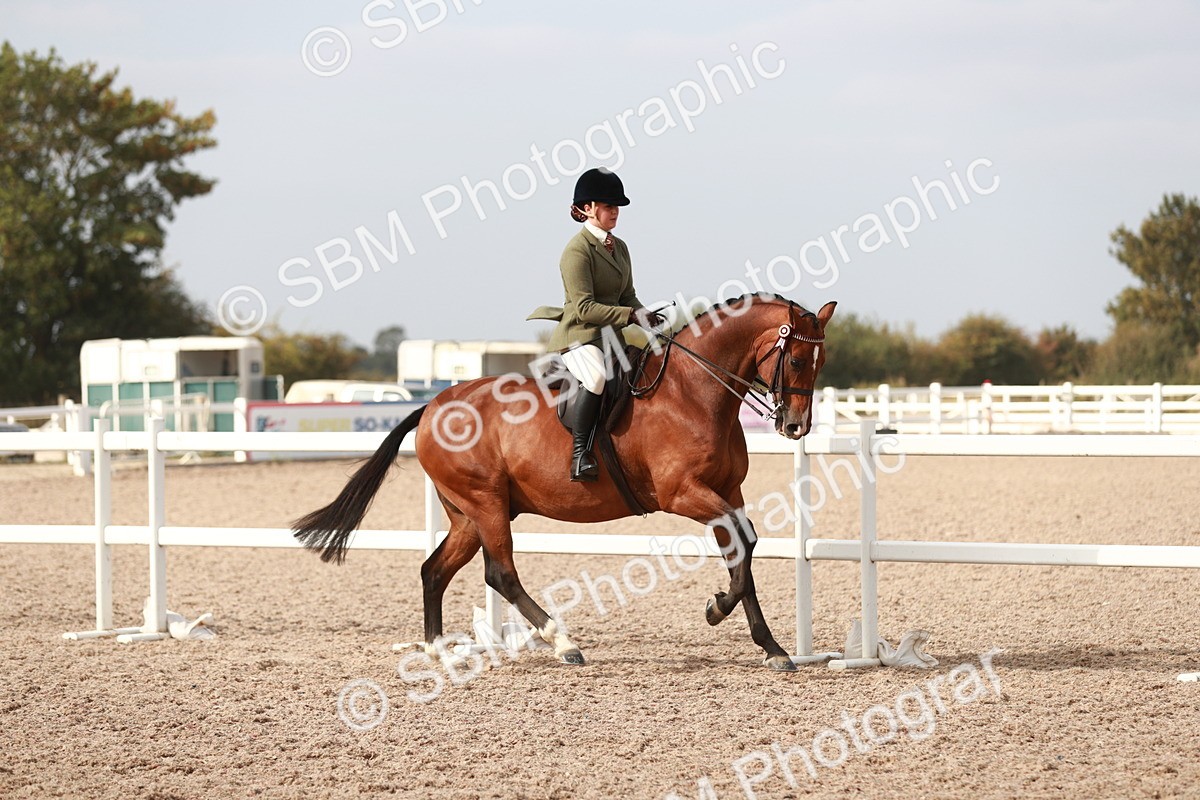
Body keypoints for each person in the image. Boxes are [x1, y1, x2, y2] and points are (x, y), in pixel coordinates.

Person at [527, 167, 664, 481]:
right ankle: (579, 454)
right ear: (587, 208)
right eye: (607, 205)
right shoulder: (576, 252)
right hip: (579, 337)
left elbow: (628, 295)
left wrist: (645, 316)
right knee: (598, 376)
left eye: (616, 206)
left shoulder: (620, 247)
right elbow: (585, 308)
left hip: (610, 337)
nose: (614, 211)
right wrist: (628, 316)